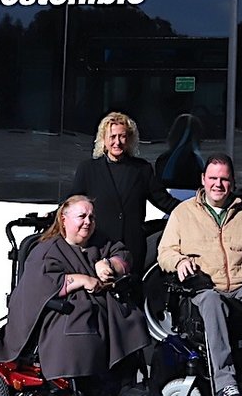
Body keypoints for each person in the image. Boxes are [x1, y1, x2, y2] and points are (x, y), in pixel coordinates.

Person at [0, 195, 150, 396]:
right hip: (62, 308)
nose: (88, 222)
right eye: (82, 216)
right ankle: (92, 394)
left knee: (129, 317)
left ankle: (124, 387)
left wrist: (110, 265)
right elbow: (41, 284)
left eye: (92, 217)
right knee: (84, 322)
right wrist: (82, 280)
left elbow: (123, 255)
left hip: (103, 303)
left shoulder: (100, 242)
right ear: (64, 219)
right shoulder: (47, 250)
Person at [155, 154, 242, 396]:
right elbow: (166, 252)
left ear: (232, 182)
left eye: (224, 179)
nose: (218, 184)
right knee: (212, 301)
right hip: (206, 286)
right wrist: (180, 262)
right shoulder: (183, 213)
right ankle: (225, 382)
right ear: (203, 180)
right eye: (213, 178)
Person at [70, 112, 180, 279]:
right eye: (112, 136)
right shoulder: (87, 169)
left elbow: (163, 200)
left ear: (129, 139)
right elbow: (72, 203)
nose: (117, 142)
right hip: (98, 245)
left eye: (122, 136)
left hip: (132, 248)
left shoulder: (142, 169)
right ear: (104, 140)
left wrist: (193, 210)